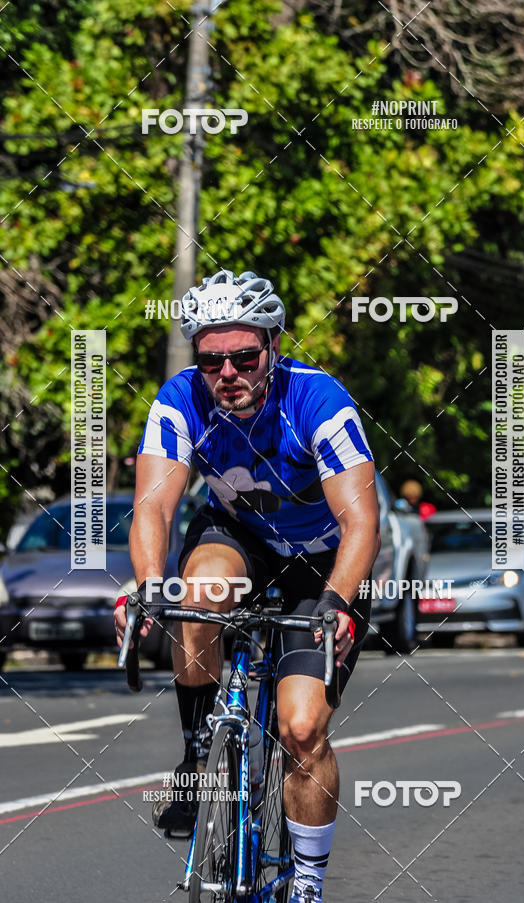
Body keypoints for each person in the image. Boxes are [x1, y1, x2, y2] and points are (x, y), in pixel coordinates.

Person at [114, 269, 380, 903]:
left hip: (324, 563)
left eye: (243, 356)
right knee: (195, 593)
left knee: (301, 729)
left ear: (274, 347)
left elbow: (361, 520)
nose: (227, 371)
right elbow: (154, 506)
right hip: (240, 540)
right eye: (211, 360)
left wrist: (336, 606)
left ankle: (308, 885)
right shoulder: (181, 399)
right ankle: (195, 752)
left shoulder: (318, 401)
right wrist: (149, 586)